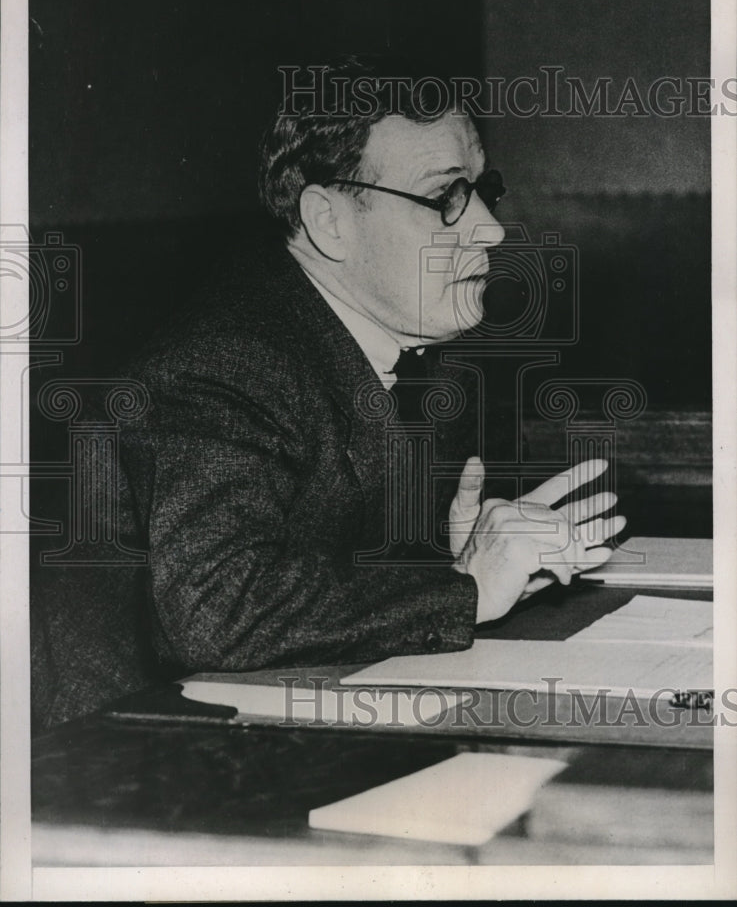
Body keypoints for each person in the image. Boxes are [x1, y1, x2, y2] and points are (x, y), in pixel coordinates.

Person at [31, 55, 624, 725]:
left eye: (483, 191)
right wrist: (463, 590)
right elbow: (214, 611)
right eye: (447, 198)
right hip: (112, 763)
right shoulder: (226, 364)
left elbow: (314, 559)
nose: (488, 228)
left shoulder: (401, 352)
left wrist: (442, 555)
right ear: (329, 220)